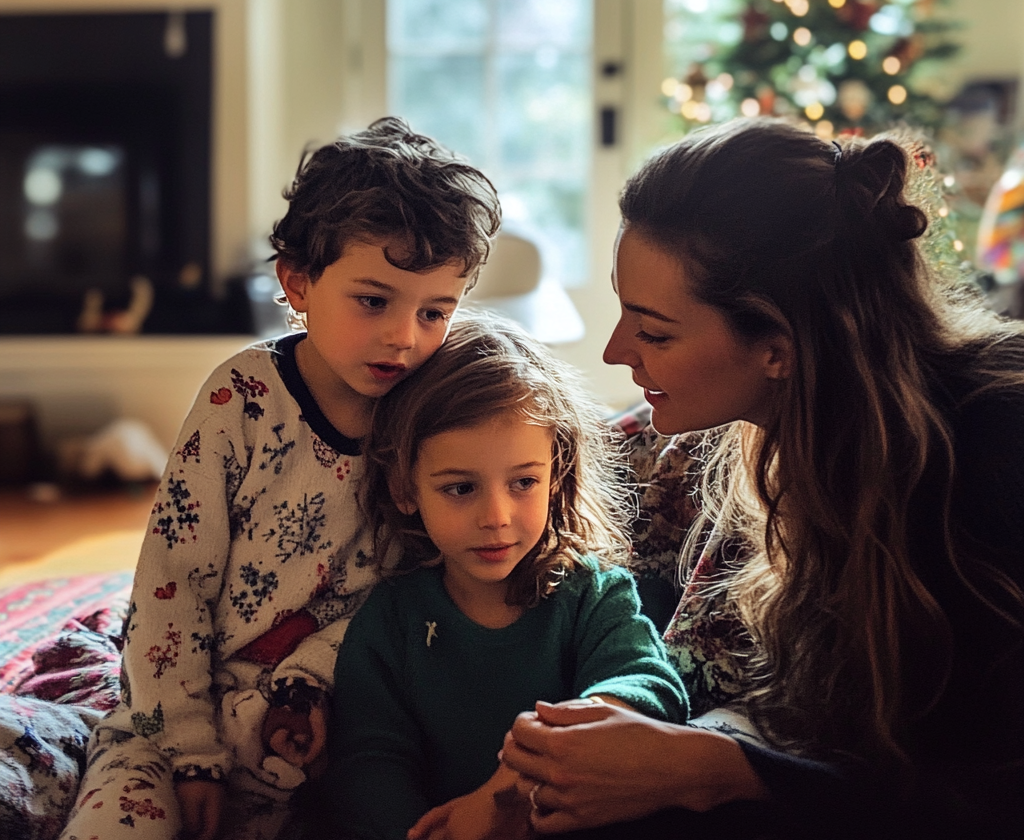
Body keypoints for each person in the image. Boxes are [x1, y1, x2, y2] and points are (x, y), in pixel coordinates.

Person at [500, 117, 1024, 840]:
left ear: (778, 347)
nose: (618, 351)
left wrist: (716, 770)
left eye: (654, 331)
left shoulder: (996, 457)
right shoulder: (780, 427)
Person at [59, 118, 501, 840]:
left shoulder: (430, 413)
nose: (405, 337)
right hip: (170, 724)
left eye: (435, 312)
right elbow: (171, 585)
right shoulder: (242, 398)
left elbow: (406, 592)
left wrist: (311, 691)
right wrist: (191, 756)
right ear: (297, 282)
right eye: (372, 300)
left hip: (327, 733)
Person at [325, 313, 688, 840]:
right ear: (405, 489)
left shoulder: (595, 595)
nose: (497, 517)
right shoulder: (393, 616)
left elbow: (648, 688)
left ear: (556, 474)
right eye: (460, 488)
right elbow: (368, 761)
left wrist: (512, 785)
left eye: (523, 482)